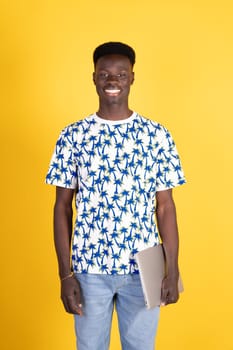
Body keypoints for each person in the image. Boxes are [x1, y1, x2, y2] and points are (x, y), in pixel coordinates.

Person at [45, 41, 186, 350]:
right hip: (89, 268)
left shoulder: (156, 135)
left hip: (144, 266)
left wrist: (171, 269)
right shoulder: (73, 136)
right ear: (94, 77)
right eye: (105, 74)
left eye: (121, 75)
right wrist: (65, 274)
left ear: (132, 78)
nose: (112, 81)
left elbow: (165, 207)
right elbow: (62, 208)